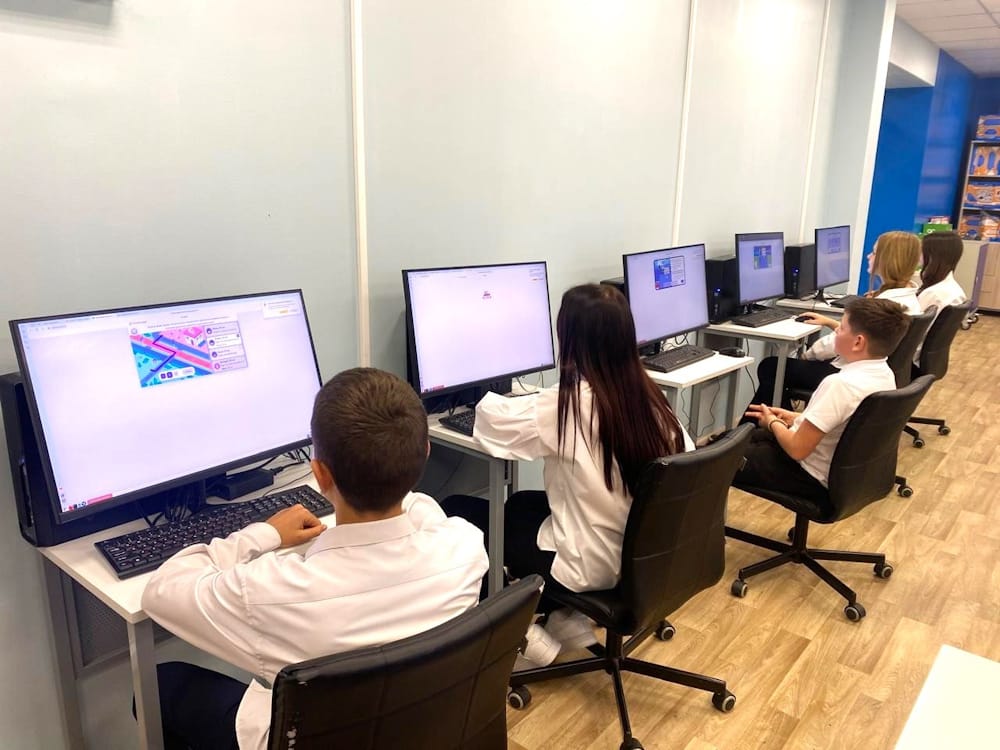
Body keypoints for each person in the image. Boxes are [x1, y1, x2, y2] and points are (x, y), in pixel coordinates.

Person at [141, 368, 488, 750]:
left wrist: (265, 533)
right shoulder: (466, 547)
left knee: (158, 685)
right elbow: (419, 506)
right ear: (426, 453)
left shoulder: (271, 591)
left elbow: (161, 590)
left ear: (320, 474)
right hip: (421, 730)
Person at [441, 283, 694, 667]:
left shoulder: (567, 406)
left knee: (459, 511)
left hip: (590, 564)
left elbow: (491, 423)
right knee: (521, 504)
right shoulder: (653, 400)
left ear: (571, 341)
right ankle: (566, 616)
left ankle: (522, 636)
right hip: (643, 559)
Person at [735, 297, 910, 501]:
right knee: (738, 440)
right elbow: (848, 424)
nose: (836, 332)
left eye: (841, 328)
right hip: (844, 476)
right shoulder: (885, 375)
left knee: (716, 462)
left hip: (807, 475)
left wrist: (772, 422)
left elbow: (797, 449)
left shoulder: (840, 384)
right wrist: (796, 417)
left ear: (858, 342)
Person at [749, 230, 921, 408]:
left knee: (771, 366)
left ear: (888, 260)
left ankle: (764, 420)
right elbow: (862, 335)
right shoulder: (909, 299)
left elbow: (830, 347)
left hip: (848, 371)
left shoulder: (888, 303)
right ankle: (762, 420)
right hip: (869, 370)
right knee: (777, 370)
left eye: (874, 252)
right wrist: (831, 323)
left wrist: (807, 355)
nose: (869, 256)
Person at [914, 230, 968, 362]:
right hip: (927, 360)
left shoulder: (934, 294)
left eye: (921, 251)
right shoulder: (954, 290)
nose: (918, 255)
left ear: (932, 256)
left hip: (912, 359)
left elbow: (910, 336)